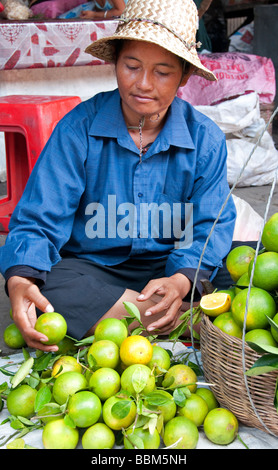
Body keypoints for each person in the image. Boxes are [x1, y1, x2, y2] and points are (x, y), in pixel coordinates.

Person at [0, 0, 236, 352]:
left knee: (246, 268)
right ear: (115, 62)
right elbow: (38, 219)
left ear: (185, 75)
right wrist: (20, 280)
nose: (143, 84)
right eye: (132, 66)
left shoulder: (205, 139)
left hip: (172, 267)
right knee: (44, 283)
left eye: (163, 72)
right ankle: (184, 322)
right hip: (95, 270)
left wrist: (181, 280)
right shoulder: (78, 128)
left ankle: (140, 318)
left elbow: (210, 225)